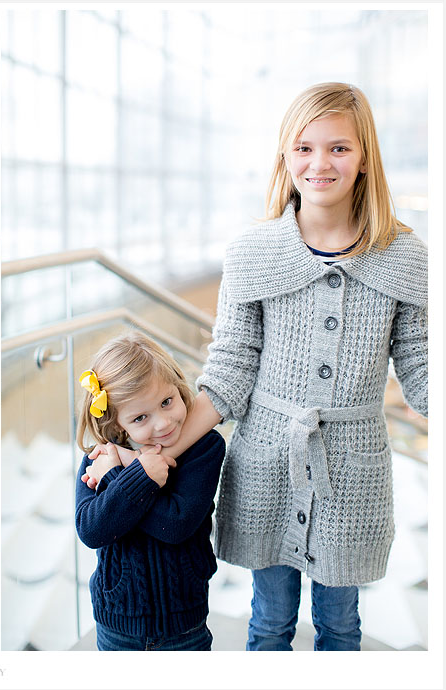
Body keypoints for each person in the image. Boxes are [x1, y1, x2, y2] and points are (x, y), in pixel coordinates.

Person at [87, 82, 428, 651]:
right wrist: (144, 457)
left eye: (339, 148)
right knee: (270, 620)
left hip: (353, 471)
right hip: (267, 464)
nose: (320, 163)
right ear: (285, 157)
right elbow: (227, 376)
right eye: (304, 148)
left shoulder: (406, 258)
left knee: (341, 624)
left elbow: (420, 372)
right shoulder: (253, 252)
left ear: (365, 155)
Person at [74, 333, 225, 651]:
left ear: (177, 384)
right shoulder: (100, 458)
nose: (164, 422)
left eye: (167, 402)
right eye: (141, 418)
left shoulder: (204, 448)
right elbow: (91, 530)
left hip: (184, 625)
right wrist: (136, 475)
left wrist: (121, 476)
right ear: (118, 423)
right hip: (118, 625)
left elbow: (177, 524)